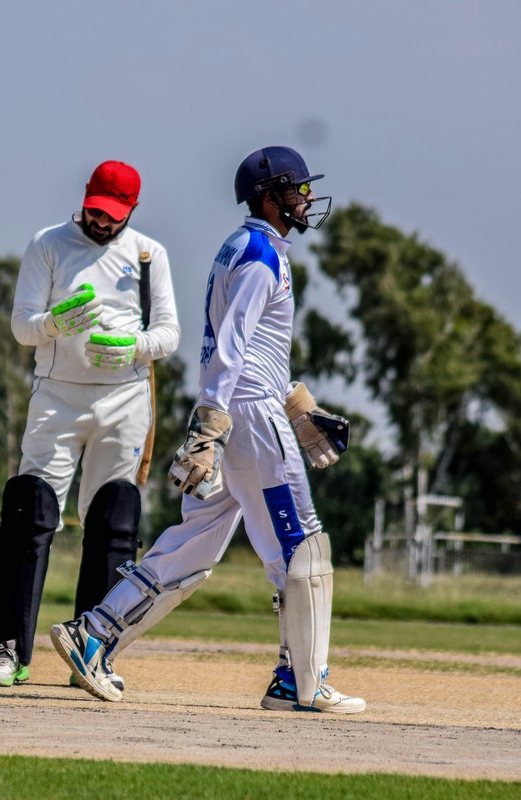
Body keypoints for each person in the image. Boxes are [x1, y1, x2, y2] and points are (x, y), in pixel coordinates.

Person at [51, 146, 365, 714]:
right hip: (249, 418)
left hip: (244, 411)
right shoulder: (261, 255)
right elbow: (232, 346)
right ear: (269, 197)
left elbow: (249, 345)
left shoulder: (243, 246)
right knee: (302, 546)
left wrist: (293, 402)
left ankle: (93, 635)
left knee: (192, 544)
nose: (307, 198)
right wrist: (213, 425)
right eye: (298, 189)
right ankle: (302, 682)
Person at [0, 160, 180, 689]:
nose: (101, 222)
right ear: (85, 199)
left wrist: (132, 347)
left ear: (131, 210)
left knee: (114, 518)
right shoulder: (47, 244)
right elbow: (22, 327)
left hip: (124, 398)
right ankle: (8, 652)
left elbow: (169, 334)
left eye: (113, 215)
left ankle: (93, 650)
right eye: (95, 211)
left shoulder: (149, 254)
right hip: (57, 395)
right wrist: (52, 323)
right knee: (30, 509)